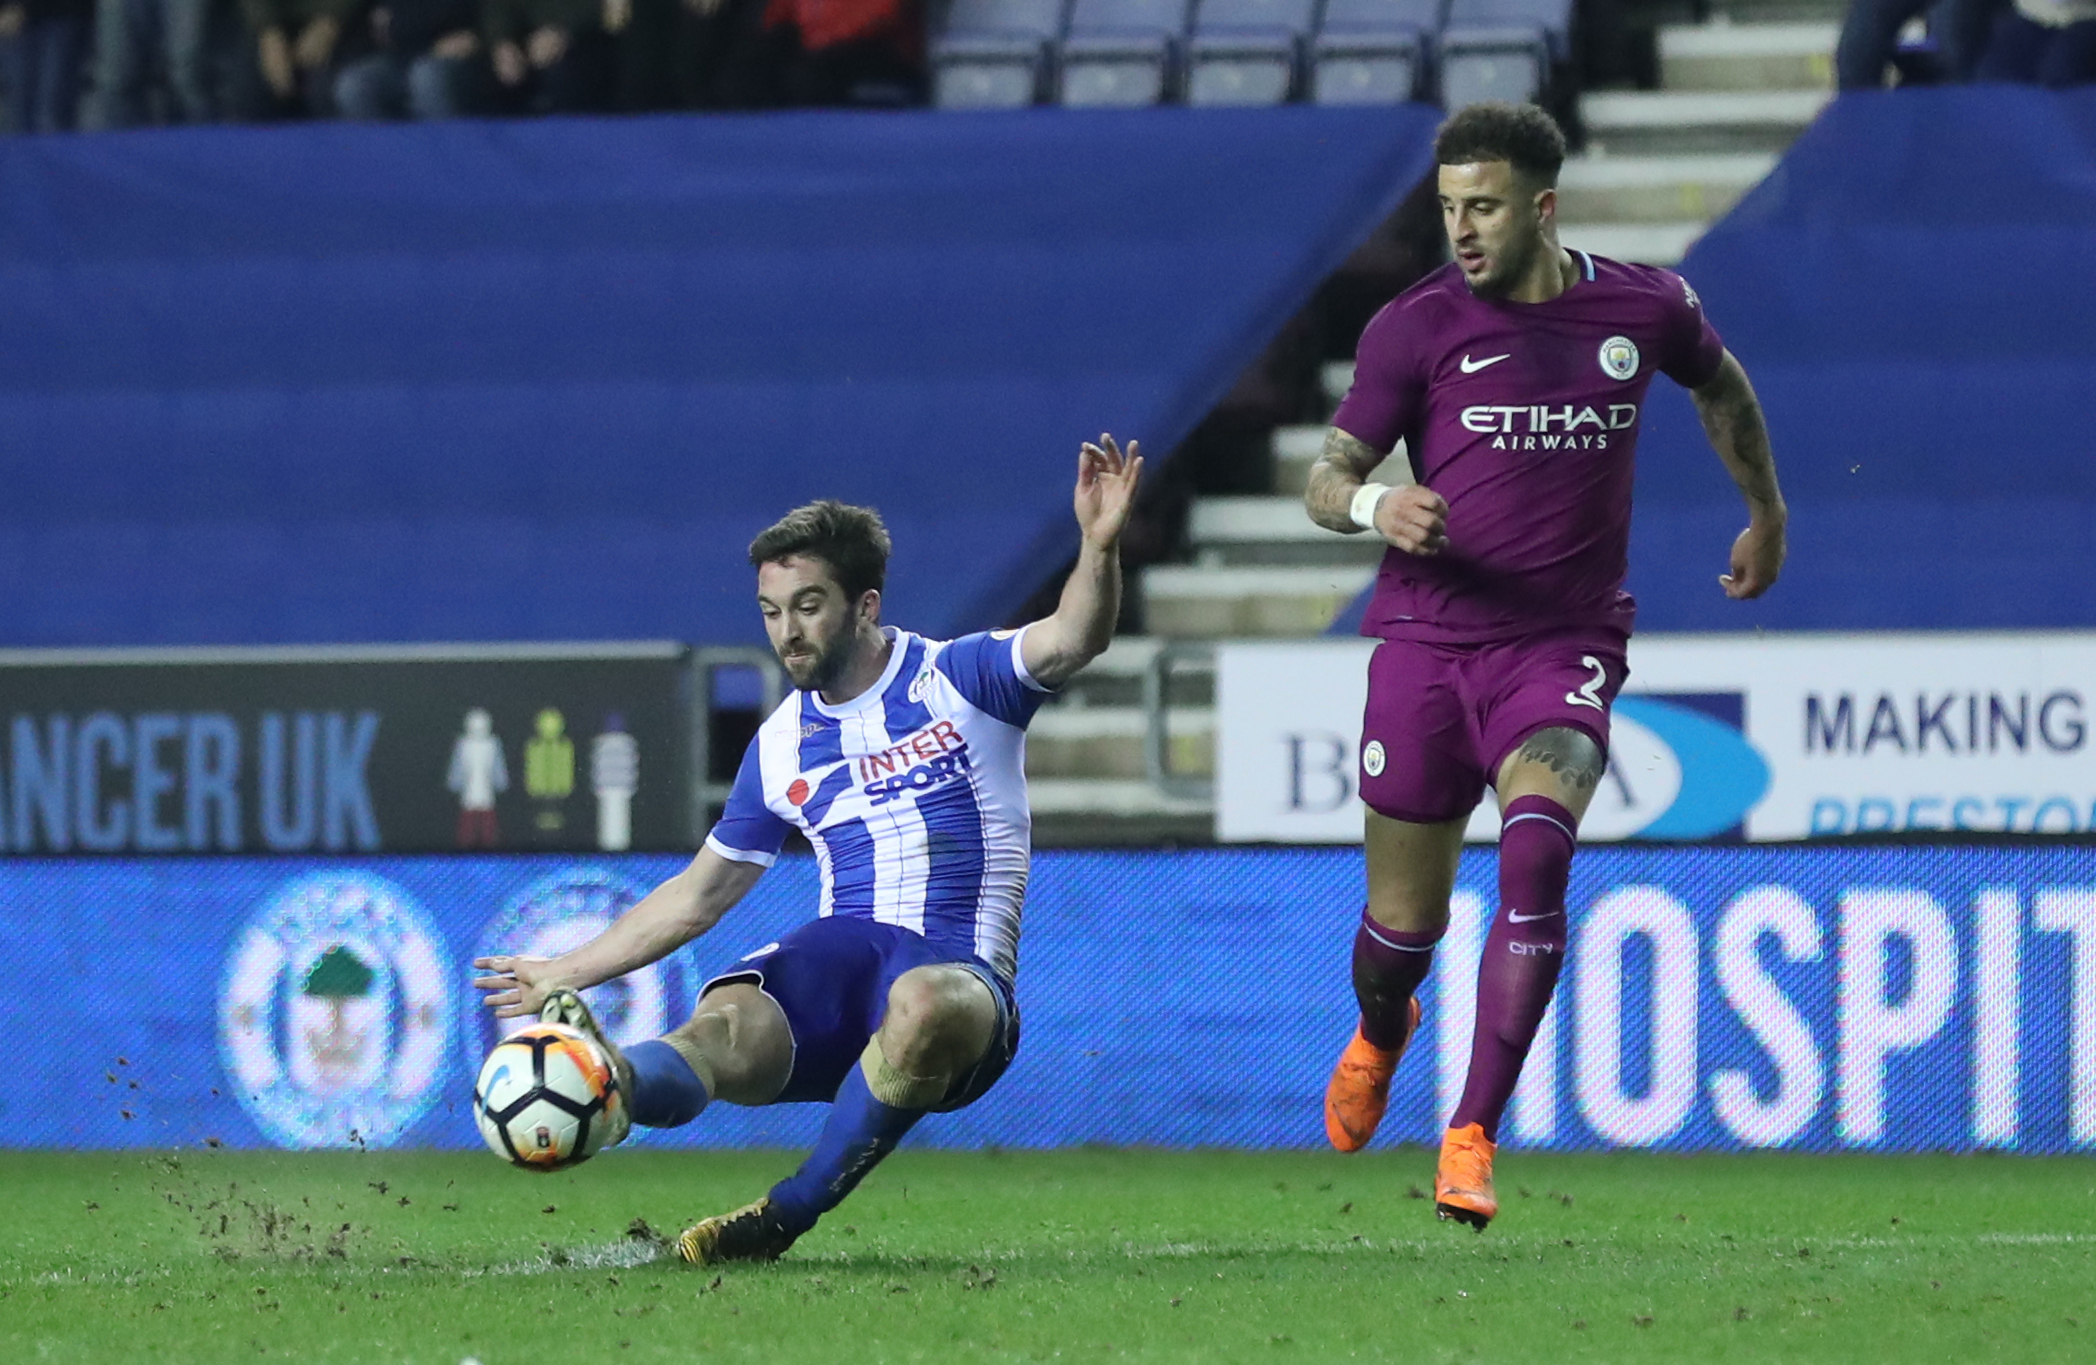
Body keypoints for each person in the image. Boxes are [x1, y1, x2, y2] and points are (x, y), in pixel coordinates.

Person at [472, 435, 1141, 1264]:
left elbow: (1076, 634)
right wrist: (564, 971)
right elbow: (698, 897)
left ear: (865, 605)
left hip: (963, 984)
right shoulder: (781, 744)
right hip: (841, 967)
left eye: (809, 606)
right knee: (718, 1026)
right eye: (771, 610)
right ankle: (611, 1085)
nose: (786, 632)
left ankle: (783, 1215)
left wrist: (1098, 546)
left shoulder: (962, 679)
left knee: (924, 1003)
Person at [1305, 103, 1786, 1230]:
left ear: (1540, 206)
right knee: (1399, 938)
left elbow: (1721, 387)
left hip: (1560, 646)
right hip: (1426, 646)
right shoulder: (1411, 327)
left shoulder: (1642, 305)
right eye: (1446, 209)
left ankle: (1468, 1134)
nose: (1460, 229)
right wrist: (1380, 503)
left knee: (1535, 863)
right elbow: (1325, 478)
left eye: (1480, 207)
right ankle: (1384, 1029)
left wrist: (1762, 512)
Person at [1, 0, 91, 133]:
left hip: (64, 14)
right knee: (17, 111)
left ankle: (56, 153)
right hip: (14, 19)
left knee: (51, 111)